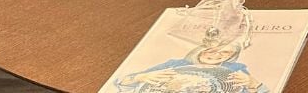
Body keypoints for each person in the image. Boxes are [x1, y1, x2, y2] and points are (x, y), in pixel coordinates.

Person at [114, 41, 266, 93]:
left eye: (225, 52)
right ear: (199, 49)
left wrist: (254, 85)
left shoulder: (236, 69)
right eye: (211, 50)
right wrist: (141, 77)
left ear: (230, 57)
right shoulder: (175, 64)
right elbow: (119, 81)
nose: (217, 55)